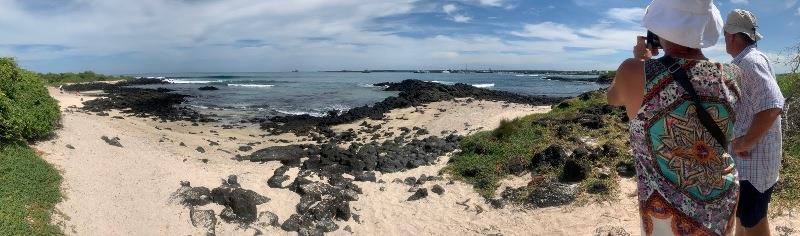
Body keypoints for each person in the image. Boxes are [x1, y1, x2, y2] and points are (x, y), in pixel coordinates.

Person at [607, 0, 742, 235]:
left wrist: (641, 60)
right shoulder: (734, 75)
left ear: (659, 29)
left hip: (666, 210)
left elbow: (613, 97)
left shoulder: (634, 70)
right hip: (722, 197)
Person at [723, 9, 785, 236]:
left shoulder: (749, 62)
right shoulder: (753, 58)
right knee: (748, 218)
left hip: (754, 165)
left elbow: (773, 105)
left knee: (753, 221)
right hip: (754, 165)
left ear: (731, 36)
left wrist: (745, 142)